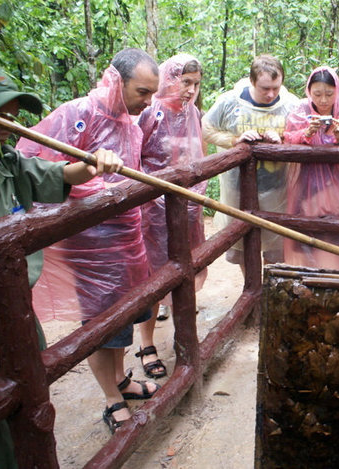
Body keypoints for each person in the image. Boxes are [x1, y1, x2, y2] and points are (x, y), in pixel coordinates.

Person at [0, 61, 123, 467]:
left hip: (18, 318)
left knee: (29, 420)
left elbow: (60, 174)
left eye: (13, 110)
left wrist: (92, 162)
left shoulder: (6, 161)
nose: (9, 120)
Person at [16, 48, 161, 433]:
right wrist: (87, 176)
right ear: (117, 81)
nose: (149, 102)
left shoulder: (132, 121)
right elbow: (30, 161)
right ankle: (111, 398)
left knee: (127, 313)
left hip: (128, 236)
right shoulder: (77, 113)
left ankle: (120, 378)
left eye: (152, 94)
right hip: (90, 243)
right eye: (143, 92)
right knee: (101, 318)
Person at [136, 53, 208, 380]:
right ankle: (146, 343)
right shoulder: (150, 113)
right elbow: (134, 159)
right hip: (153, 212)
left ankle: (183, 335)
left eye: (195, 83)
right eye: (185, 81)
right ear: (169, 78)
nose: (190, 89)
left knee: (185, 272)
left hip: (187, 210)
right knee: (153, 277)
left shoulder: (194, 114)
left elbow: (198, 157)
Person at [202, 55, 299, 274]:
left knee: (276, 244)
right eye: (265, 88)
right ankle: (251, 288)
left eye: (276, 87)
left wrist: (283, 140)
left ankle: (271, 291)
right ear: (252, 81)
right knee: (244, 241)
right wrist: (235, 140)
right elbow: (206, 129)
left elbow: (303, 136)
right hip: (238, 187)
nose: (271, 94)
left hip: (278, 188)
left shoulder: (292, 104)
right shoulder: (230, 102)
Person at [283, 66, 339, 270]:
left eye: (329, 94)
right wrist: (306, 134)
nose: (323, 100)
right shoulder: (300, 113)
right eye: (317, 94)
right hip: (307, 190)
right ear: (308, 92)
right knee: (308, 244)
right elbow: (287, 144)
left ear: (337, 91)